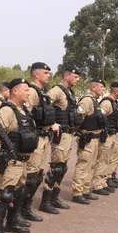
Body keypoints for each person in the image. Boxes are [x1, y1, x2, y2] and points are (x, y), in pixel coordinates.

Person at [0, 78, 36, 233]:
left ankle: (11, 222)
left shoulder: (23, 110)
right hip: (11, 161)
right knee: (6, 194)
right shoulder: (7, 110)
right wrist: (0, 153)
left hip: (23, 160)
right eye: (25, 89)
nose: (29, 92)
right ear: (15, 91)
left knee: (19, 191)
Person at [25, 62, 60, 220]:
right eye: (45, 73)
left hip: (45, 137)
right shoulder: (32, 91)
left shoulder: (43, 93)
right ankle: (20, 210)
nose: (49, 75)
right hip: (36, 138)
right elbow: (24, 115)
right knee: (31, 176)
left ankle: (26, 207)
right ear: (36, 74)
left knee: (38, 175)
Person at [44, 66, 81, 211]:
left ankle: (54, 197)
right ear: (66, 76)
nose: (77, 80)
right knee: (56, 167)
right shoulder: (57, 90)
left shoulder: (69, 92)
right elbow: (44, 104)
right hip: (60, 135)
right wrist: (51, 123)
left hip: (68, 134)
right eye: (75, 77)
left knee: (63, 167)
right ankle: (46, 201)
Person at [70, 79, 107, 205]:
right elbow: (78, 118)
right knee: (83, 164)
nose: (103, 89)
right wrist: (79, 132)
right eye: (101, 87)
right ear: (93, 88)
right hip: (87, 138)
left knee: (91, 165)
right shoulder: (87, 100)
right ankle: (77, 192)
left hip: (95, 138)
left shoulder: (95, 101)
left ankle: (85, 189)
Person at [91, 82, 118, 195]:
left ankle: (103, 182)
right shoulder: (106, 102)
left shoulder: (115, 103)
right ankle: (97, 184)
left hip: (112, 134)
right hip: (106, 135)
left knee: (108, 159)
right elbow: (100, 118)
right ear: (116, 91)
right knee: (102, 159)